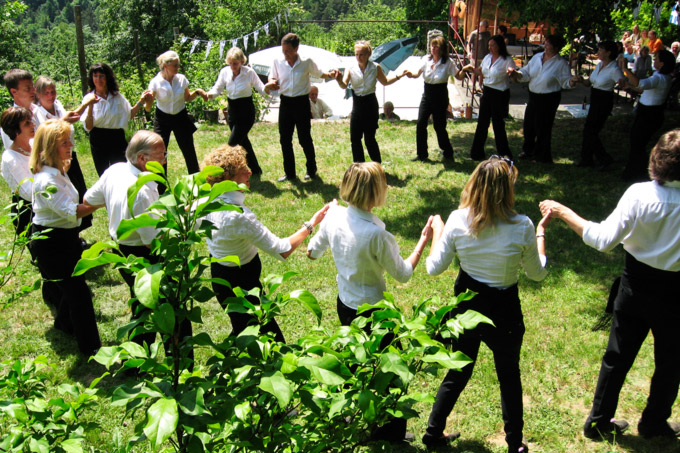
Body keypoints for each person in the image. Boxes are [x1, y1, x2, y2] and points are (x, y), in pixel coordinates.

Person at [538, 128, 680, 441]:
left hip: (634, 286)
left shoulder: (640, 195)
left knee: (616, 357)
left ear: (656, 159)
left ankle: (598, 421)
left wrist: (562, 212)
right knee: (671, 362)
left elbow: (602, 239)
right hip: (674, 294)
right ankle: (654, 423)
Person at [422, 156, 549, 452]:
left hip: (468, 305)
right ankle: (515, 443)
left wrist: (438, 232)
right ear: (508, 189)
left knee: (458, 370)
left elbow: (433, 268)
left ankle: (432, 433)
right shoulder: (523, 226)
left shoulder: (457, 219)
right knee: (508, 374)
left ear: (474, 183)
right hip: (504, 309)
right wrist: (541, 236)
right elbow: (537, 274)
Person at [307, 161, 433, 443]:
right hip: (375, 312)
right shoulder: (377, 234)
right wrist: (422, 242)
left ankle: (354, 419)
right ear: (375, 192)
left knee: (356, 363)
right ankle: (389, 433)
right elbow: (403, 274)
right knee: (393, 372)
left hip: (345, 303)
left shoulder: (334, 218)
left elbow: (311, 253)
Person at [202, 145, 331, 342]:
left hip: (221, 277)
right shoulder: (238, 216)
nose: (250, 172)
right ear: (228, 180)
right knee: (272, 343)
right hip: (242, 286)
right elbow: (282, 250)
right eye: (243, 170)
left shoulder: (207, 201)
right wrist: (312, 223)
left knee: (242, 329)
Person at [29, 119, 101, 356]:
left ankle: (63, 324)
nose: (70, 145)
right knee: (79, 294)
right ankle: (91, 349)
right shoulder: (47, 181)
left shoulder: (57, 171)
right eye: (64, 142)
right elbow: (73, 212)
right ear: (49, 147)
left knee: (70, 287)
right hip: (53, 242)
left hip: (63, 237)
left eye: (69, 140)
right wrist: (103, 200)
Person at [264, 33, 339, 182]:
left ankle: (311, 170)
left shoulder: (306, 62)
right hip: (285, 103)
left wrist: (331, 75)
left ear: (296, 48)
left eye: (288, 51)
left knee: (304, 139)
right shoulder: (278, 61)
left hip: (301, 103)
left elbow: (320, 73)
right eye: (283, 51)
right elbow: (272, 76)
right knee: (285, 139)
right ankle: (289, 173)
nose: (285, 54)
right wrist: (271, 82)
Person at [34, 75, 93, 231]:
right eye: (46, 93)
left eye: (52, 91)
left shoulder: (58, 106)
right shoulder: (36, 114)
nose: (50, 96)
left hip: (65, 156)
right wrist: (101, 200)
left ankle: (76, 231)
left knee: (75, 190)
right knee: (64, 198)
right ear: (37, 94)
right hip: (54, 158)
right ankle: (72, 230)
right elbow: (44, 137)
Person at [508, 34, 575, 164]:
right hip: (534, 96)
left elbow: (565, 82)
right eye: (546, 42)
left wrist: (572, 82)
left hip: (549, 98)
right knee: (529, 125)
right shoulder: (537, 57)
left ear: (556, 47)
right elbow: (526, 73)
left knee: (543, 127)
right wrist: (516, 73)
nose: (545, 45)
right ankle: (528, 151)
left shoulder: (560, 63)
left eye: (548, 43)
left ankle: (542, 156)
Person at [334, 41, 404, 163]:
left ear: (368, 55)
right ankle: (359, 166)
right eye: (356, 54)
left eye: (361, 54)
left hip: (370, 104)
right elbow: (344, 85)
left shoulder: (375, 67)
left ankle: (377, 165)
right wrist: (339, 80)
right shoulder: (350, 68)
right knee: (355, 138)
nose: (358, 57)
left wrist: (399, 76)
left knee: (369, 139)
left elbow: (385, 81)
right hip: (357, 104)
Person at [81, 63, 150, 177]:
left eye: (101, 76)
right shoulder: (88, 98)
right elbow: (88, 127)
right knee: (104, 175)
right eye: (95, 76)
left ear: (107, 77)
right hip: (98, 139)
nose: (98, 79)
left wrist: (141, 101)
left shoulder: (117, 96)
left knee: (122, 172)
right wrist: (90, 106)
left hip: (117, 138)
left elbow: (130, 114)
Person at [207, 47, 268, 176]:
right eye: (230, 63)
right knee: (243, 141)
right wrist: (209, 95)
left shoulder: (249, 73)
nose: (233, 66)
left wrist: (269, 88)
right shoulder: (225, 72)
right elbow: (217, 88)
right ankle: (256, 170)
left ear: (241, 61)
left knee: (232, 143)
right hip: (232, 111)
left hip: (246, 111)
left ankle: (225, 171)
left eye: (235, 63)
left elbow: (261, 88)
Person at [147, 51, 207, 175]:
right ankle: (160, 187)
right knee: (159, 152)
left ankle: (196, 181)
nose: (177, 68)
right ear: (165, 66)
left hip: (180, 116)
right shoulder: (155, 82)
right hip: (162, 118)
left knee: (189, 150)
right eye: (175, 65)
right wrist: (147, 101)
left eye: (178, 65)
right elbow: (148, 108)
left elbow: (187, 98)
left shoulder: (181, 79)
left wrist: (197, 92)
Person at [620, 50, 675, 181]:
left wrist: (625, 69)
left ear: (662, 63)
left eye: (656, 59)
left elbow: (641, 83)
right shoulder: (661, 76)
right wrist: (628, 86)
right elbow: (643, 89)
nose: (654, 60)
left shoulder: (659, 78)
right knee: (638, 142)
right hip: (650, 113)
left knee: (638, 143)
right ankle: (638, 170)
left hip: (649, 115)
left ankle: (636, 172)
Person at [405, 35, 461, 162]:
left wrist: (466, 70)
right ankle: (422, 154)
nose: (433, 48)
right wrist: (410, 74)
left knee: (439, 127)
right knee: (420, 124)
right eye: (432, 46)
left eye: (436, 46)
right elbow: (416, 74)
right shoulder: (426, 59)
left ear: (441, 49)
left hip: (440, 96)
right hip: (427, 94)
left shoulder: (448, 63)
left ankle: (447, 151)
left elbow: (459, 76)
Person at [462, 35, 516, 160]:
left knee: (498, 125)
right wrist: (470, 69)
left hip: (500, 94)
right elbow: (480, 71)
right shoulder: (487, 57)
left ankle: (504, 154)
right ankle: (476, 153)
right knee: (482, 124)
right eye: (489, 45)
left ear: (499, 46)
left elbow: (514, 76)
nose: (490, 48)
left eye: (493, 45)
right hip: (487, 92)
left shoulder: (507, 60)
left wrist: (512, 73)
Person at [572, 41, 624, 169]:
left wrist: (625, 78)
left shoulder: (614, 69)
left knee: (591, 131)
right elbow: (589, 82)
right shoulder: (599, 65)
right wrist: (580, 80)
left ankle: (604, 158)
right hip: (595, 98)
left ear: (608, 53)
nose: (598, 52)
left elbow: (622, 83)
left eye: (601, 50)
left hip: (604, 100)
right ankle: (587, 159)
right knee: (588, 129)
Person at [1, 107, 36, 236]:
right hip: (28, 212)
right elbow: (28, 193)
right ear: (15, 130)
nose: (33, 124)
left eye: (31, 120)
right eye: (27, 123)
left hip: (46, 205)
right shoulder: (10, 158)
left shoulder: (34, 144)